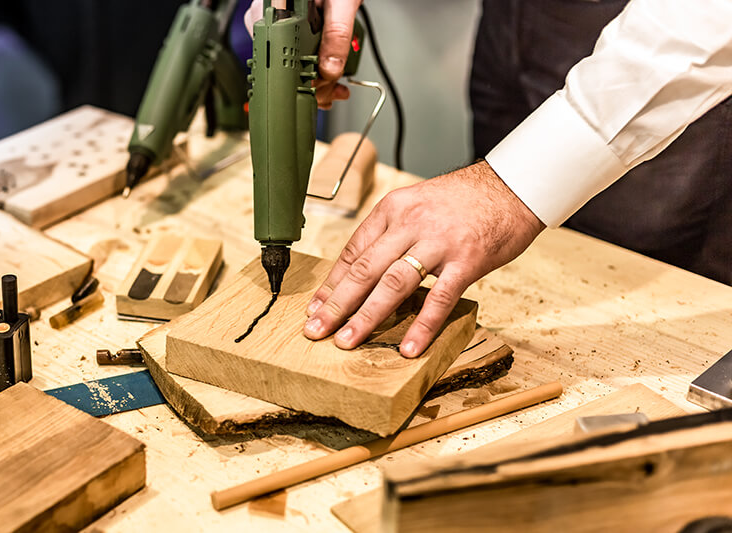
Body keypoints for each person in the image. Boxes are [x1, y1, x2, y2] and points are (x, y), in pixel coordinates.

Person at [246, 0, 732, 358]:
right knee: (487, 251)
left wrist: (508, 188)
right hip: (517, 17)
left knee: (636, 304)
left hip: (667, 40)